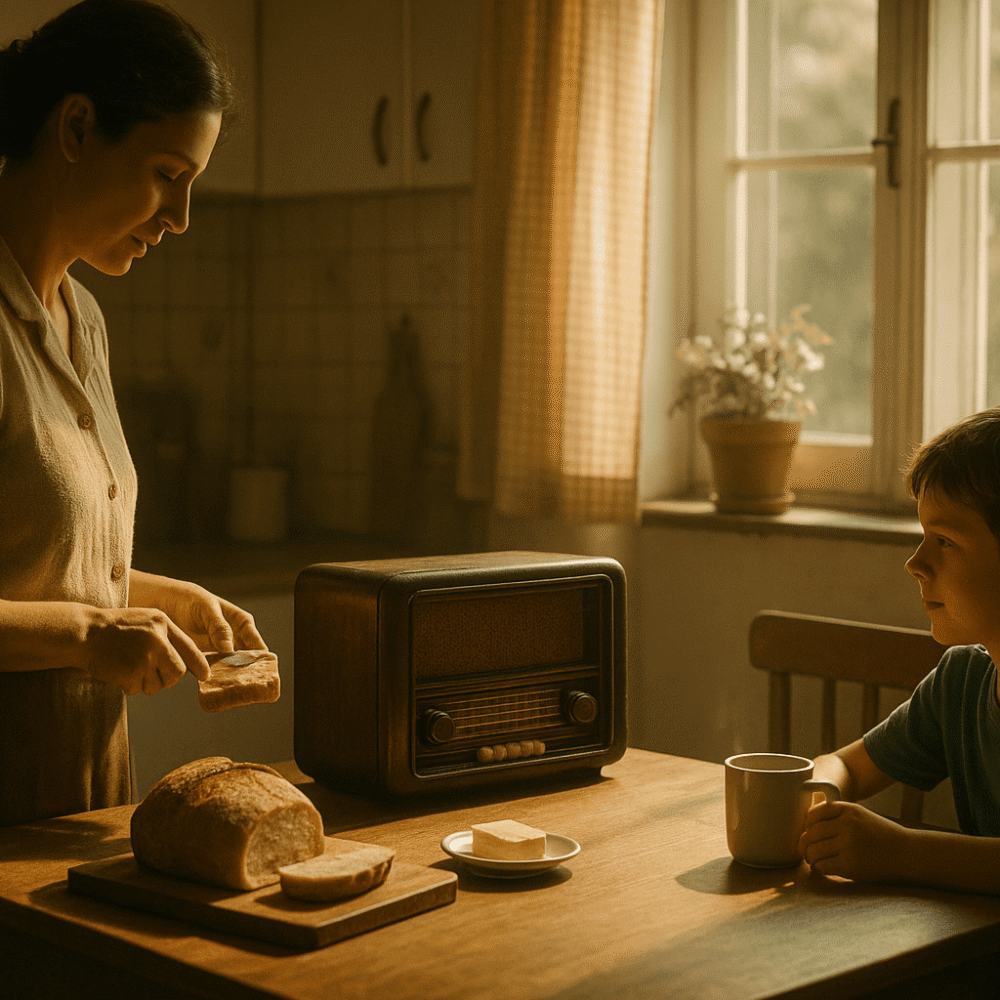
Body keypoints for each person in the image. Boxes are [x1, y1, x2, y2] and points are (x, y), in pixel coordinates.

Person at [0, 0, 267, 827]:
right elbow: (65, 615)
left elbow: (34, 562)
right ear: (76, 127)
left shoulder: (84, 319)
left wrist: (159, 596)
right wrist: (89, 635)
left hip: (79, 802)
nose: (180, 219)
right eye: (168, 175)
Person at [800, 407, 1000, 893]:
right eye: (922, 537)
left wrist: (904, 852)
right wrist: (817, 797)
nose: (915, 563)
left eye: (945, 541)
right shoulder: (963, 680)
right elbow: (846, 764)